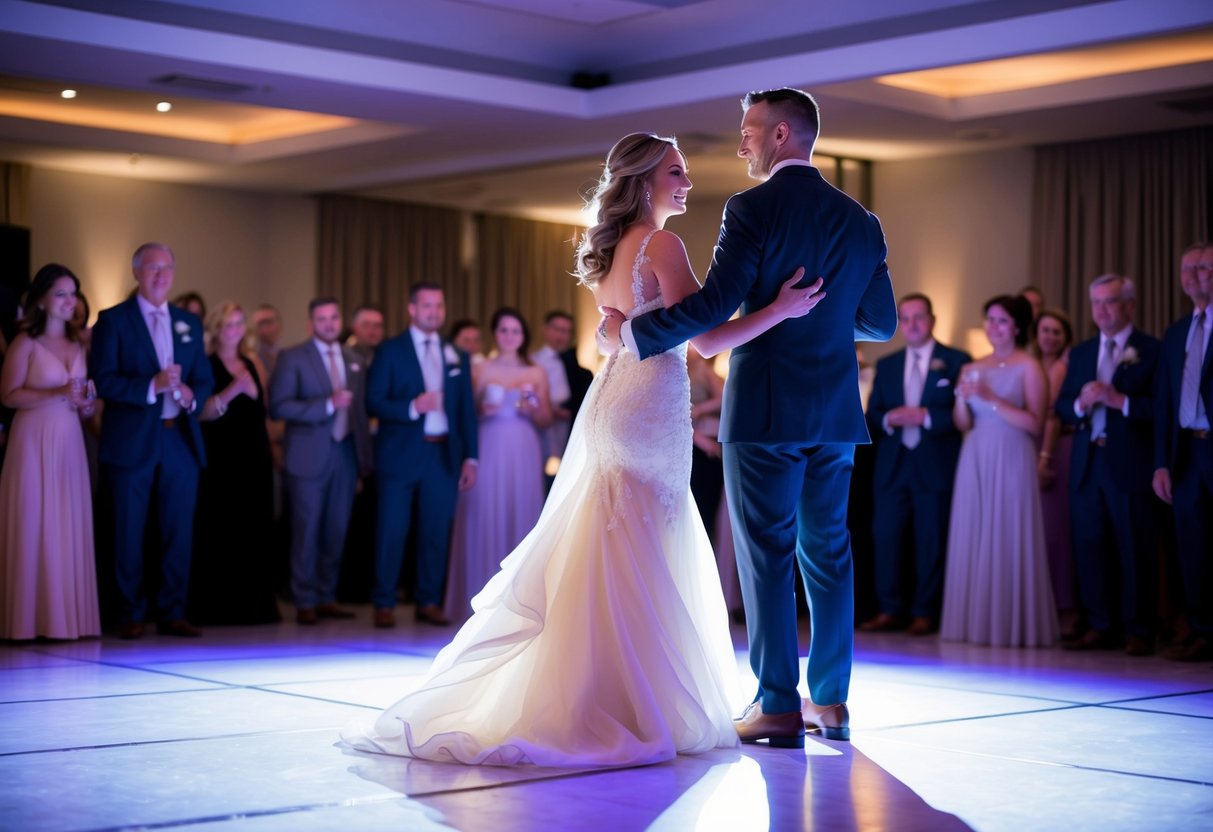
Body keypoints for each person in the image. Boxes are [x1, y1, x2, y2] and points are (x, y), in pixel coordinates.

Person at [343, 131, 822, 766]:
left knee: (610, 540)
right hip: (650, 409)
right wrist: (780, 311)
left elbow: (613, 337)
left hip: (612, 404)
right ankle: (629, 700)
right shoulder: (664, 243)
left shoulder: (608, 251)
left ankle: (602, 689)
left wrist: (625, 331)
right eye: (676, 172)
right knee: (644, 542)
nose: (686, 182)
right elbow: (704, 341)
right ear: (646, 179)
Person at [610, 89, 896, 746]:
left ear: (781, 134)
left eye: (747, 131)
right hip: (833, 413)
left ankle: (775, 704)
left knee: (766, 556)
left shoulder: (751, 208)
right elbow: (878, 320)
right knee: (828, 554)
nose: (738, 142)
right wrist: (823, 317)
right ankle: (830, 702)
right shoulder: (861, 220)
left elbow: (714, 304)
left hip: (764, 408)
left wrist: (638, 337)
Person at [90, 243, 214, 639]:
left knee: (178, 528)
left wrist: (192, 394)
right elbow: (104, 379)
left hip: (179, 437)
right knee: (129, 529)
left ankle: (172, 610)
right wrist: (151, 385)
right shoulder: (113, 321)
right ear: (136, 272)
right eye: (152, 267)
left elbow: (205, 377)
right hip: (132, 439)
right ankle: (129, 612)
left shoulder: (188, 323)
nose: (161, 274)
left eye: (167, 267)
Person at [939, 295, 1058, 647]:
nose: (993, 326)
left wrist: (990, 397)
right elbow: (963, 423)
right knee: (976, 531)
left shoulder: (1029, 366)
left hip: (1012, 455)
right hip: (975, 453)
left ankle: (1013, 626)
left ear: (1018, 326)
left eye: (1002, 320)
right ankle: (974, 625)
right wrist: (962, 398)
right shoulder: (972, 366)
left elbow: (1035, 424)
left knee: (1007, 531)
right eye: (989, 319)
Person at [1057, 274, 1160, 656]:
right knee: (1090, 544)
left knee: (1134, 546)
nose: (1101, 309)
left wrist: (1121, 401)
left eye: (1110, 301)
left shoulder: (1151, 349)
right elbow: (1062, 405)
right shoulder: (1082, 352)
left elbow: (1161, 408)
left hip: (1129, 461)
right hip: (1088, 458)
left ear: (1130, 305)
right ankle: (1101, 625)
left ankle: (1139, 629)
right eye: (1096, 302)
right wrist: (1081, 405)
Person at [366, 283, 478, 629]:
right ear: (412, 309)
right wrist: (413, 406)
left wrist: (470, 457)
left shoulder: (455, 354)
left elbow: (465, 411)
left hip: (442, 454)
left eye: (439, 305)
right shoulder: (389, 350)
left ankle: (428, 600)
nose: (434, 311)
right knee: (392, 530)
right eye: (427, 305)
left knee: (435, 531)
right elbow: (374, 401)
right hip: (399, 455)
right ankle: (384, 602)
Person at [0, 263, 100, 640]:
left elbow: (79, 400)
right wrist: (57, 393)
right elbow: (8, 396)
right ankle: (27, 621)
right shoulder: (24, 343)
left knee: (65, 520)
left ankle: (67, 620)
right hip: (32, 440)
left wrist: (86, 404)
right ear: (41, 299)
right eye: (61, 293)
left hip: (69, 439)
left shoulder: (77, 344)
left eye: (72, 293)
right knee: (33, 520)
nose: (69, 301)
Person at [862, 293, 969, 636]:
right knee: (886, 537)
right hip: (893, 464)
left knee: (931, 538)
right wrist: (891, 419)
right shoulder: (889, 364)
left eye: (918, 317)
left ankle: (925, 611)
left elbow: (964, 417)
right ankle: (889, 609)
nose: (911, 324)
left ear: (932, 320)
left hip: (934, 463)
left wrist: (925, 416)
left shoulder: (955, 360)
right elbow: (873, 414)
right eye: (905, 318)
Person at [268, 298, 372, 625]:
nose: (329, 323)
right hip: (307, 456)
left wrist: (363, 461)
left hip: (345, 456)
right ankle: (304, 599)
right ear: (312, 323)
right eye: (322, 319)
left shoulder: (355, 359)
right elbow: (278, 407)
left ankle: (327, 595)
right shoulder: (293, 357)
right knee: (306, 530)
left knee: (336, 530)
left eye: (334, 317)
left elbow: (359, 412)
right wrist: (325, 404)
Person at [443, 308, 551, 620]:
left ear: (523, 335)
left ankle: (520, 602)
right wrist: (482, 409)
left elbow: (545, 419)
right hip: (488, 443)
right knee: (482, 509)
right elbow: (465, 413)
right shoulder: (480, 369)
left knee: (521, 511)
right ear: (495, 333)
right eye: (504, 330)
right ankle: (476, 596)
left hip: (523, 446)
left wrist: (532, 408)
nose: (509, 336)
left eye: (515, 331)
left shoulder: (536, 372)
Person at [189, 302, 280, 625]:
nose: (236, 329)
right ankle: (220, 606)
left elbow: (263, 410)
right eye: (229, 324)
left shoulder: (253, 361)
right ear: (217, 329)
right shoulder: (206, 363)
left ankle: (255, 607)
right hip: (222, 457)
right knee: (222, 527)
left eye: (240, 323)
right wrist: (233, 390)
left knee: (255, 528)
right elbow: (201, 412)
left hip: (253, 455)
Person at [1153, 242, 1212, 661]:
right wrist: (1161, 462)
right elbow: (1164, 401)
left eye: (1203, 267)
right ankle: (1202, 628)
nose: (1193, 275)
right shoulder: (1177, 331)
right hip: (1187, 454)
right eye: (1186, 269)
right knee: (1193, 548)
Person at [1032, 308, 1077, 634]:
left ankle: (1066, 608)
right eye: (1045, 330)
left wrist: (1045, 457)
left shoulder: (1066, 367)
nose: (1049, 337)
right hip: (1027, 445)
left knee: (1057, 533)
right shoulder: (1030, 364)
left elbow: (1054, 416)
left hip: (1057, 448)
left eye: (1056, 332)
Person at [530, 310, 593, 479]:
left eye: (566, 331)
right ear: (545, 329)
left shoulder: (574, 364)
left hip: (566, 424)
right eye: (557, 329)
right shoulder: (532, 360)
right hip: (537, 424)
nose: (561, 335)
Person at [252, 304, 284, 377]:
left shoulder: (289, 357)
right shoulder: (250, 361)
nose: (265, 328)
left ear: (280, 326)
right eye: (260, 324)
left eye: (269, 322)